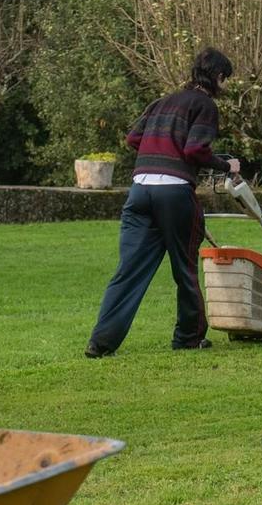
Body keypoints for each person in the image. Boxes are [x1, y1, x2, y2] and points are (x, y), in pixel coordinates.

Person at [85, 48, 243, 357]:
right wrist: (227, 165)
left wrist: (158, 154)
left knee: (128, 270)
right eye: (226, 79)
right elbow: (195, 150)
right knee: (184, 268)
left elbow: (133, 139)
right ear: (218, 77)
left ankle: (100, 343)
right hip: (174, 193)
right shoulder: (205, 105)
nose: (226, 86)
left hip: (140, 190)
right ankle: (188, 337)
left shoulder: (161, 102)